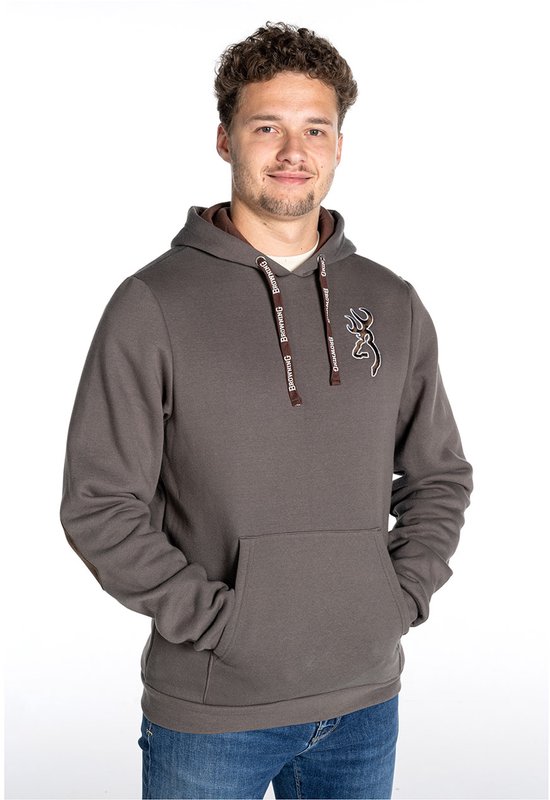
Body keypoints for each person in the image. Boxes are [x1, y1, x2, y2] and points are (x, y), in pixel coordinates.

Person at [59, 21, 473, 800]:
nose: (293, 151)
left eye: (315, 128)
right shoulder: (152, 304)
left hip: (365, 704)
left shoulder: (391, 302)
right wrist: (225, 625)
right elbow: (99, 504)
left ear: (339, 145)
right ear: (225, 139)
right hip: (213, 716)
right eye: (266, 127)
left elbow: (438, 476)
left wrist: (398, 597)